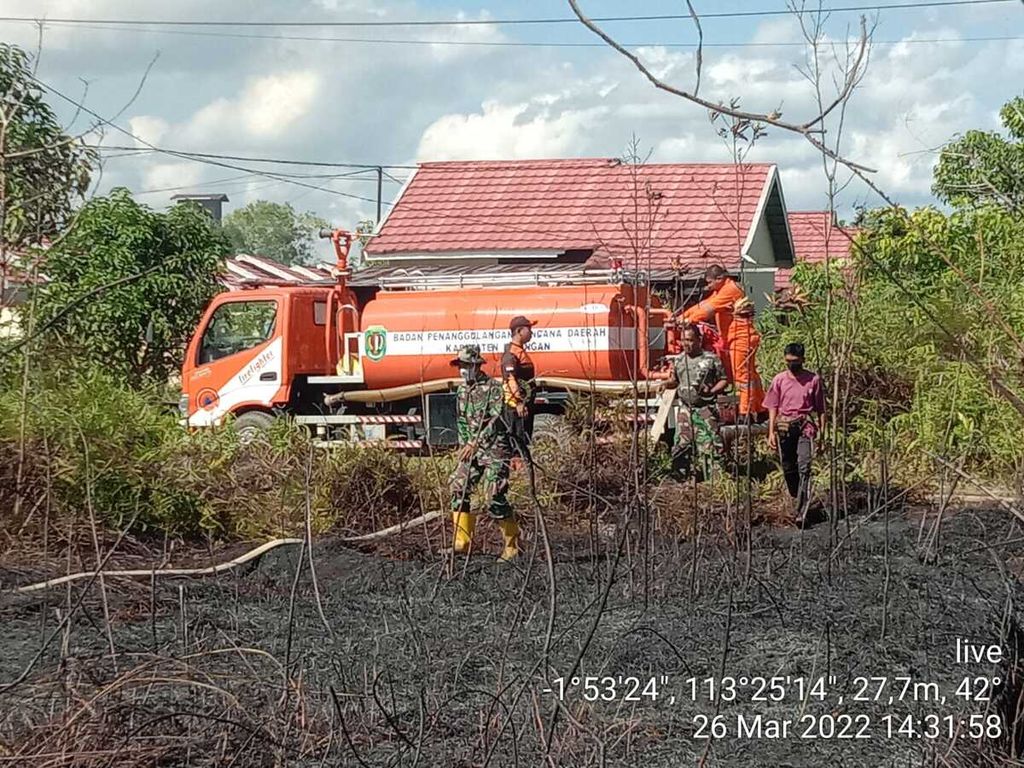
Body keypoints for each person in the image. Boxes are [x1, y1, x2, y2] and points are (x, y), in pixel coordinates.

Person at [448, 345, 519, 561]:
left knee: (493, 496)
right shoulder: (462, 391)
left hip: (494, 449)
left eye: (466, 366)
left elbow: (496, 420)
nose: (462, 370)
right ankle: (462, 542)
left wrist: (475, 442)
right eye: (460, 366)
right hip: (472, 451)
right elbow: (461, 420)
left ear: (476, 366)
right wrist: (465, 443)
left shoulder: (492, 389)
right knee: (457, 486)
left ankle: (513, 546)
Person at [763, 342, 826, 525]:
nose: (792, 364)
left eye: (795, 361)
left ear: (803, 360)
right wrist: (771, 432)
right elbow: (772, 406)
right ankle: (795, 497)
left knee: (804, 466)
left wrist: (822, 433)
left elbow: (821, 408)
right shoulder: (779, 380)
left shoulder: (813, 380)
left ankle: (802, 511)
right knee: (788, 466)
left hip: (805, 427)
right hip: (784, 427)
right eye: (789, 361)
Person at [668, 325, 729, 479]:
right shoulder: (679, 360)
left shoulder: (711, 359)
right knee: (681, 444)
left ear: (699, 340)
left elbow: (723, 380)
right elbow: (675, 381)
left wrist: (712, 391)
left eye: (689, 340)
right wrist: (665, 384)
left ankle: (715, 480)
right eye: (683, 340)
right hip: (685, 409)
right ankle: (681, 478)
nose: (686, 343)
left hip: (705, 409)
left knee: (711, 444)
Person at [681, 265, 747, 380]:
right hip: (731, 337)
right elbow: (704, 304)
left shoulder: (730, 290)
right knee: (738, 374)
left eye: (709, 282)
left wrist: (689, 320)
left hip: (740, 337)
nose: (708, 286)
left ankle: (748, 398)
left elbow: (709, 309)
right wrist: (683, 316)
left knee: (742, 376)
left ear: (719, 279)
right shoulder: (720, 291)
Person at [725, 297, 766, 421]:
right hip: (746, 339)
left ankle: (745, 412)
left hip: (741, 342)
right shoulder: (745, 327)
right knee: (752, 375)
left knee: (742, 376)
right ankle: (760, 408)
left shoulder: (739, 328)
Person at [501, 316, 537, 454]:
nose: (531, 332)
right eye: (529, 329)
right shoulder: (511, 354)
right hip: (515, 409)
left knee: (524, 444)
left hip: (523, 407)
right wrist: (518, 402)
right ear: (519, 331)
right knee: (517, 446)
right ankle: (517, 471)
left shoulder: (519, 351)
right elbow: (510, 380)